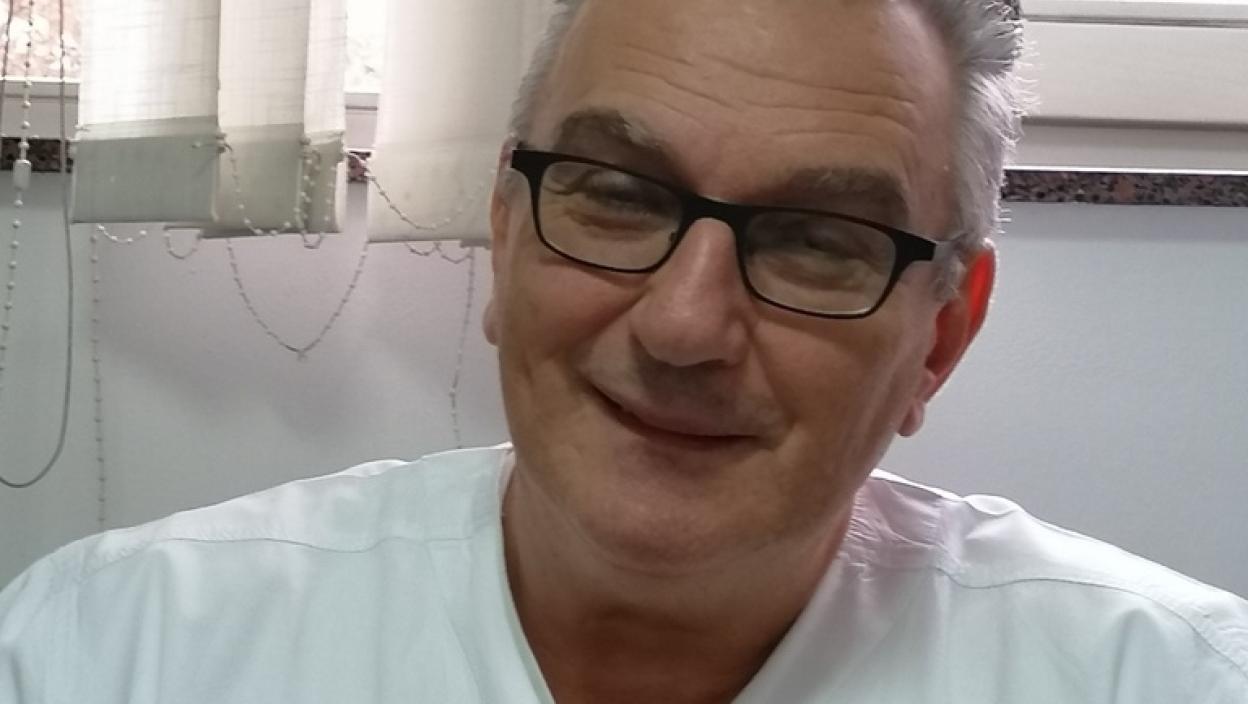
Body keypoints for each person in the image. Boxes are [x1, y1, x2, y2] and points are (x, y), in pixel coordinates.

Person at [3, 0, 1247, 701]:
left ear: (941, 338)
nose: (684, 325)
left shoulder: (1160, 679)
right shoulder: (116, 651)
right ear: (505, 232)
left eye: (819, 240)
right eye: (615, 194)